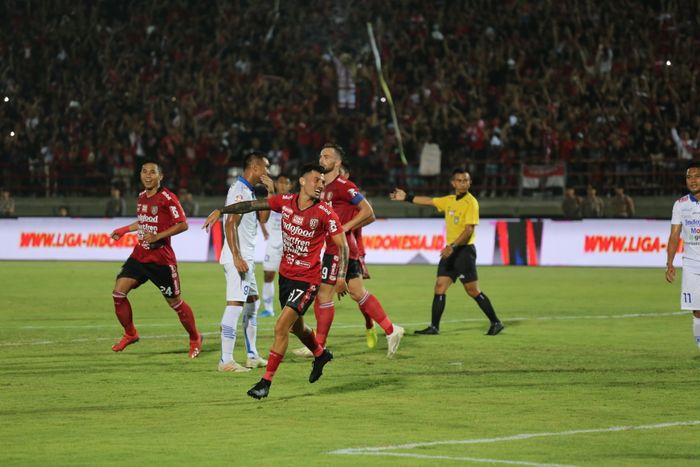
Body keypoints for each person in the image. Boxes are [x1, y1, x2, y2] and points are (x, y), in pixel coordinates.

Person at [203, 164, 348, 399]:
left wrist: (340, 276)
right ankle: (320, 354)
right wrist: (222, 210)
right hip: (286, 277)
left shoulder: (325, 212)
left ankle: (265, 383)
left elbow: (344, 246)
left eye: (323, 181)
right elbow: (251, 205)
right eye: (316, 180)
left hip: (308, 279)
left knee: (281, 327)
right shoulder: (285, 201)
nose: (321, 184)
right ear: (302, 181)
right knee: (297, 327)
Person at [295, 143, 404, 357]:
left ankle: (318, 346)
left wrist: (344, 227)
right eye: (320, 156)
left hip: (338, 249)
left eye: (326, 157)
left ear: (337, 162)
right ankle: (392, 329)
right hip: (336, 247)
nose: (321, 160)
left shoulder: (344, 186)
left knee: (324, 296)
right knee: (357, 292)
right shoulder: (322, 186)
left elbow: (369, 212)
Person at [390, 168, 504, 336]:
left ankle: (496, 322)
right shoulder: (450, 200)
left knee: (472, 290)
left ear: (470, 183)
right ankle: (434, 327)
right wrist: (407, 197)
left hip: (464, 251)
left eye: (466, 180)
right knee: (440, 287)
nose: (463, 183)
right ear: (453, 183)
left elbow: (468, 231)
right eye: (459, 180)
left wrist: (452, 246)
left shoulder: (471, 203)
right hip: (451, 251)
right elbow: (429, 201)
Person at [109, 161, 202, 358]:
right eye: (144, 171)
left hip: (161, 260)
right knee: (118, 293)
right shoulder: (142, 197)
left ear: (160, 177)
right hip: (140, 255)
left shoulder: (167, 198)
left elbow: (183, 224)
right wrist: (124, 230)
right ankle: (130, 333)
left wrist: (157, 237)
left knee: (175, 303)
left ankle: (195, 338)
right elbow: (143, 222)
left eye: (153, 172)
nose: (148, 175)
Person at [216, 152, 273, 373]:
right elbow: (230, 223)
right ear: (256, 167)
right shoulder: (240, 191)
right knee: (235, 305)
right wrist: (237, 256)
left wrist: (271, 191)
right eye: (266, 168)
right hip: (237, 258)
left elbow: (264, 218)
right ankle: (226, 360)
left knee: (252, 303)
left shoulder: (249, 191)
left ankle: (252, 355)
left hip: (246, 258)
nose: (268, 172)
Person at [666, 161, 700, 350]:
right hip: (692, 263)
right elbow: (674, 235)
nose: (693, 180)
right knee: (697, 309)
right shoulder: (680, 205)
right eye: (689, 177)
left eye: (697, 176)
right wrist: (669, 262)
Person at [259, 174, 293, 318]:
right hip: (273, 245)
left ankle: (290, 309)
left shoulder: (295, 201)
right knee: (268, 275)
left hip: (289, 246)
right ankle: (268, 308)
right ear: (276, 184)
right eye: (280, 182)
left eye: (286, 182)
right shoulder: (271, 200)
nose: (283, 185)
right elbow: (262, 217)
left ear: (291, 186)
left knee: (290, 279)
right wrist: (265, 231)